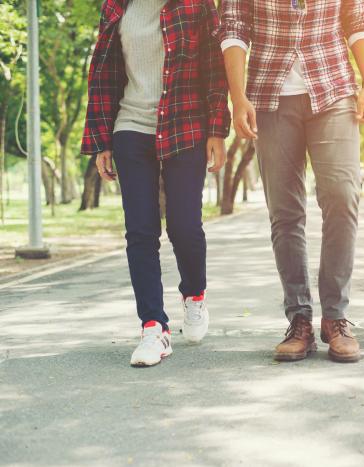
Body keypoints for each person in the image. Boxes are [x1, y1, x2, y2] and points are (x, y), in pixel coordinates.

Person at [220, 0, 364, 362]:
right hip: (269, 92)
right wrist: (237, 95)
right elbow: (233, 26)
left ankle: (336, 318)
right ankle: (300, 319)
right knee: (285, 210)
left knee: (342, 195)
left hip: (333, 86)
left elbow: (356, 15)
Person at [81, 0, 231, 367]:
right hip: (132, 126)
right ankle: (153, 327)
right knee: (141, 231)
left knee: (184, 226)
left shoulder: (196, 4)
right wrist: (101, 139)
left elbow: (215, 69)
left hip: (185, 125)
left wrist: (217, 130)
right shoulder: (117, 7)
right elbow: (103, 72)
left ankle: (194, 296)